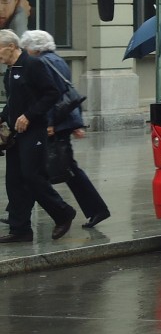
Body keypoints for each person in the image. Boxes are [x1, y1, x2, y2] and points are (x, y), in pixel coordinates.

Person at [22, 30, 110, 229]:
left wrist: (50, 123)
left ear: (34, 48)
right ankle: (20, 214)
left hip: (56, 123)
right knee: (55, 168)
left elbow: (54, 95)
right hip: (64, 121)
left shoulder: (42, 62)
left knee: (63, 169)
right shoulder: (56, 60)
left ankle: (95, 209)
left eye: (26, 47)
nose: (24, 52)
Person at [0, 29, 76, 243]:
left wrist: (29, 116)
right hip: (16, 132)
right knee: (14, 180)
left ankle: (63, 213)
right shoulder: (9, 70)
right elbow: (14, 102)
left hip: (34, 130)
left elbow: (52, 93)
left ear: (11, 47)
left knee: (32, 176)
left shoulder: (33, 65)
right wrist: (2, 117)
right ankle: (20, 229)